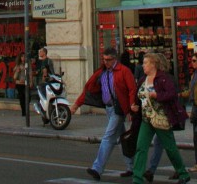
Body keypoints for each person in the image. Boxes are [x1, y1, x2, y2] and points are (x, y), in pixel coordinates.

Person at [71, 46, 137, 181]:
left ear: (115, 59)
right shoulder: (101, 72)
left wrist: (130, 107)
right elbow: (88, 88)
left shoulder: (124, 71)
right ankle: (132, 167)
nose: (106, 62)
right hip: (109, 108)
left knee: (108, 137)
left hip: (119, 109)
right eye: (104, 59)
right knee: (122, 137)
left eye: (109, 59)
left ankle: (98, 168)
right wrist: (76, 104)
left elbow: (132, 89)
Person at [131, 51, 189, 184]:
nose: (143, 65)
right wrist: (135, 106)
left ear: (153, 65)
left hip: (161, 118)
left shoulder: (163, 78)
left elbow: (172, 94)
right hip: (147, 119)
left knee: (170, 148)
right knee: (141, 147)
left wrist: (157, 96)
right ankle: (137, 178)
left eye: (146, 63)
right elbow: (138, 97)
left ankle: (183, 173)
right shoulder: (142, 80)